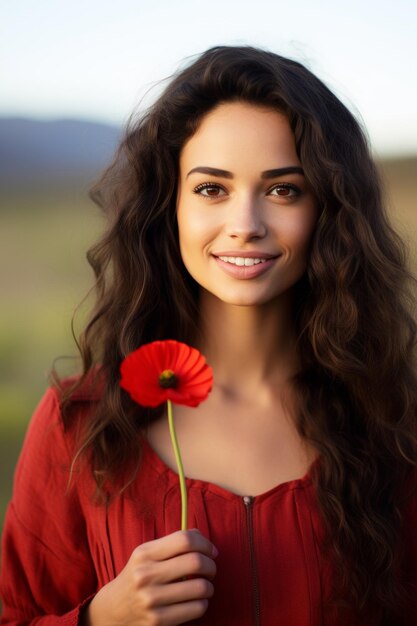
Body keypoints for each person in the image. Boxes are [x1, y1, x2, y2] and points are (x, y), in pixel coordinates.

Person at [1, 45, 416, 626]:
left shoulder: (395, 422)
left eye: (283, 190)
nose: (244, 225)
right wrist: (100, 619)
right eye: (211, 189)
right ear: (167, 208)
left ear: (330, 210)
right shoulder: (81, 424)